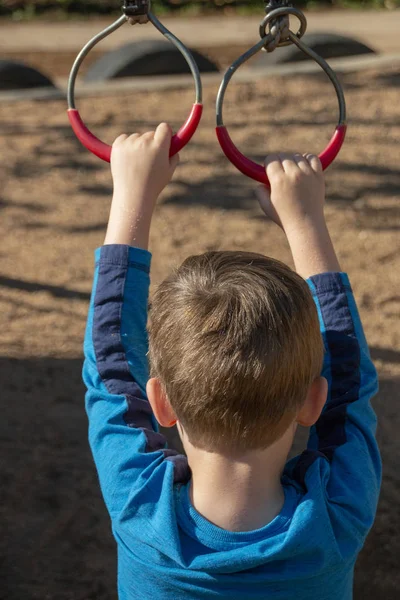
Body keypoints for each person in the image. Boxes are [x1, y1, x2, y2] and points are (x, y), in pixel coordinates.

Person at [83, 123, 381, 599]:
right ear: (312, 401)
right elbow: (350, 386)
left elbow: (110, 367)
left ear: (161, 401)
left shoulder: (141, 512)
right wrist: (306, 223)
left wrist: (131, 197)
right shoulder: (334, 519)